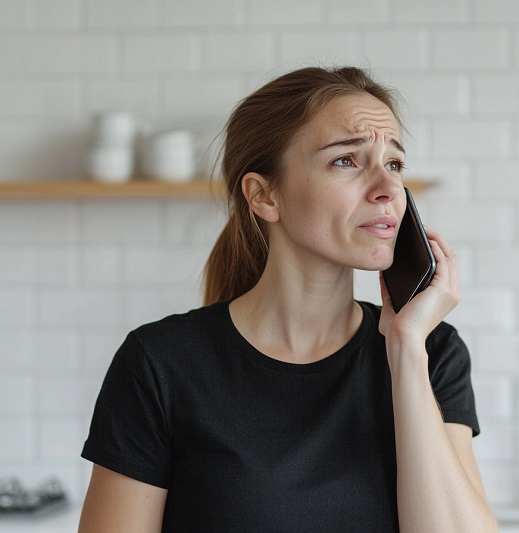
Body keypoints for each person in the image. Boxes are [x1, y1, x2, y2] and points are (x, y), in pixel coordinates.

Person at [78, 66, 497, 533]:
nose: (389, 189)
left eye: (394, 164)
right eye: (346, 161)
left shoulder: (432, 351)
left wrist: (404, 348)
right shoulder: (160, 364)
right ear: (264, 195)